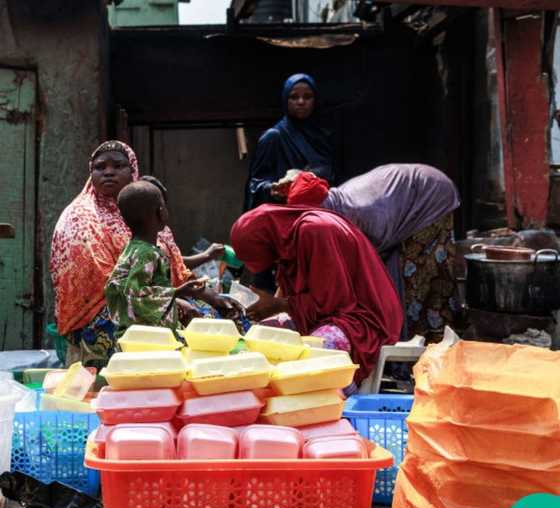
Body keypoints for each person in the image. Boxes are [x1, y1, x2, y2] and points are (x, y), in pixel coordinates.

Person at [50, 142, 199, 366]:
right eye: (100, 167)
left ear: (132, 170)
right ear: (91, 174)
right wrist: (171, 298)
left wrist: (190, 295)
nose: (108, 172)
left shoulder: (143, 207)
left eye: (118, 165)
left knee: (209, 316)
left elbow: (169, 261)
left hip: (149, 296)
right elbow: (110, 285)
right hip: (103, 311)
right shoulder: (80, 218)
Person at [284, 165, 461, 342]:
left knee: (416, 276)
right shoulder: (335, 204)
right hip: (403, 197)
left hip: (431, 197)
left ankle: (427, 341)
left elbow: (367, 266)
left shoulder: (363, 216)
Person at [230, 205, 402, 387]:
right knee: (261, 339)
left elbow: (333, 301)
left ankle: (336, 401)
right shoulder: (288, 241)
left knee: (314, 355)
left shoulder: (315, 230)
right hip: (333, 313)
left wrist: (279, 305)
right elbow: (291, 293)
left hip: (364, 317)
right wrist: (267, 309)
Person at [105, 181, 239, 339]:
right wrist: (178, 291)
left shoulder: (135, 248)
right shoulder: (146, 254)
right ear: (161, 212)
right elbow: (135, 294)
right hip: (145, 338)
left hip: (147, 333)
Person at [245, 73, 337, 211]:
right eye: (294, 97)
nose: (301, 102)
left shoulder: (324, 137)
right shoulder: (274, 137)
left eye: (307, 97)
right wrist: (274, 188)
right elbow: (255, 186)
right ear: (285, 100)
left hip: (322, 212)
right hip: (285, 214)